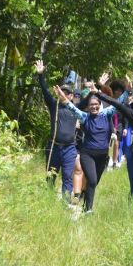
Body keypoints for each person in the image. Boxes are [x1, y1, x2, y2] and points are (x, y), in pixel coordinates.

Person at [54, 82, 126, 213]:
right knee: (91, 180)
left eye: (96, 104)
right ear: (88, 106)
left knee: (94, 183)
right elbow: (72, 108)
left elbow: (118, 103)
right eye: (91, 105)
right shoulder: (84, 117)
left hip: (102, 156)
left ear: (100, 105)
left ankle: (85, 201)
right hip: (87, 155)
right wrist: (63, 97)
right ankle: (88, 210)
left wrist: (128, 90)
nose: (93, 107)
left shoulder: (106, 114)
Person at [35, 60, 79, 200]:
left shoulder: (75, 109)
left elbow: (91, 100)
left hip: (69, 148)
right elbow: (45, 91)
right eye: (61, 92)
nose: (63, 94)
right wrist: (41, 75)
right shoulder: (54, 105)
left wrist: (97, 88)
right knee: (50, 175)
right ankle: (48, 199)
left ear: (71, 96)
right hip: (53, 146)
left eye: (66, 92)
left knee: (67, 175)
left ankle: (66, 201)